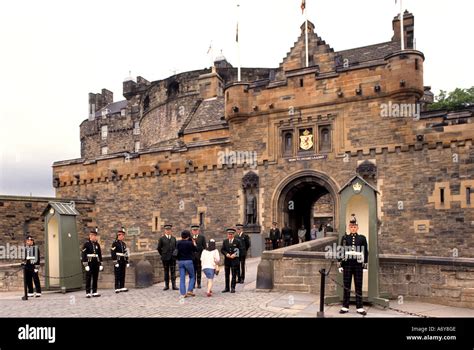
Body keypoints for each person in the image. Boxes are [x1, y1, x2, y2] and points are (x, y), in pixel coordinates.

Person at [338, 215, 368, 316]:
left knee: (358, 285)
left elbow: (365, 252)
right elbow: (341, 251)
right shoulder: (345, 238)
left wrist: (365, 266)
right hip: (347, 264)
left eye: (355, 227)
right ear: (349, 228)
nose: (353, 228)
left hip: (358, 264)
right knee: (346, 285)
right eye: (351, 227)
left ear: (357, 228)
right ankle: (345, 306)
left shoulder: (362, 238)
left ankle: (359, 307)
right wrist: (340, 265)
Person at [82, 227, 103, 298]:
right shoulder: (86, 244)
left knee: (95, 277)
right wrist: (85, 264)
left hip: (96, 263)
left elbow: (99, 255)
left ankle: (94, 291)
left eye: (95, 236)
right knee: (88, 277)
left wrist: (100, 263)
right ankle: (88, 292)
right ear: (90, 236)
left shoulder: (97, 245)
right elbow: (84, 254)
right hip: (89, 263)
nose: (95, 237)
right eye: (94, 236)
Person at [176, 230, 197, 298]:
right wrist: (194, 243)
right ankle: (190, 290)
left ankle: (183, 293)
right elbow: (195, 250)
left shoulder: (178, 243)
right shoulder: (190, 243)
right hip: (188, 261)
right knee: (192, 276)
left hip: (180, 261)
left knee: (182, 278)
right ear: (188, 236)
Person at [157, 224, 178, 291]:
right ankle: (166, 285)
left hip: (172, 258)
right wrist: (163, 254)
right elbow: (159, 248)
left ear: (171, 230)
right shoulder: (162, 239)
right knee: (166, 272)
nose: (168, 231)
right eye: (167, 230)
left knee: (173, 272)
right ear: (165, 231)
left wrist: (175, 255)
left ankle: (174, 285)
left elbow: (175, 248)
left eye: (169, 230)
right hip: (165, 258)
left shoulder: (173, 238)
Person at [221, 228, 242, 293]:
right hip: (227, 260)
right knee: (227, 274)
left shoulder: (237, 241)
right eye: (229, 234)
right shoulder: (225, 241)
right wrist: (226, 254)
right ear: (227, 234)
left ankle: (233, 287)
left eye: (231, 234)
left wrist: (235, 254)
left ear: (233, 234)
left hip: (234, 260)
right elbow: (222, 250)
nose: (230, 235)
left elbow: (241, 250)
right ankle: (227, 288)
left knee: (233, 274)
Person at [111, 227, 130, 293]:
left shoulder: (124, 244)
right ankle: (117, 287)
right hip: (118, 260)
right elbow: (113, 253)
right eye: (122, 235)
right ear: (119, 235)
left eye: (123, 235)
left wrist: (127, 261)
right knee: (117, 274)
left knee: (122, 274)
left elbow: (126, 253)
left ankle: (122, 286)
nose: (123, 237)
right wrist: (115, 261)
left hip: (123, 260)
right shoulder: (115, 243)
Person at [191, 225, 206, 289]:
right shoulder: (190, 238)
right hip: (192, 257)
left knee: (199, 271)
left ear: (198, 231)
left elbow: (204, 247)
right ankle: (193, 283)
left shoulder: (202, 237)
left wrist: (196, 245)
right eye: (194, 230)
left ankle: (199, 283)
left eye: (196, 230)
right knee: (193, 271)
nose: (195, 231)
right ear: (192, 231)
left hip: (199, 257)